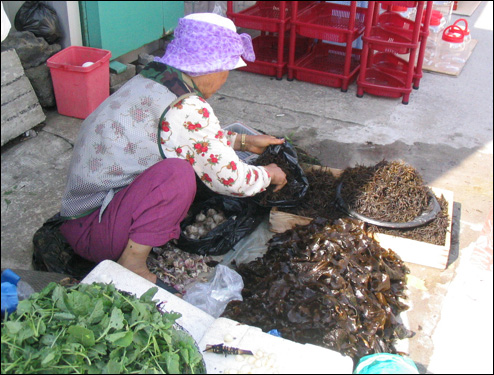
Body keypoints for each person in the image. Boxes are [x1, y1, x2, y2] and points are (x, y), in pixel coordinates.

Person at [59, 13, 287, 290]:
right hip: (95, 230)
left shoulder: (155, 77)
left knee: (183, 168)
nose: (226, 78)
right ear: (212, 68)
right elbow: (231, 179)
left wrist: (242, 142)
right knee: (178, 175)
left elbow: (184, 138)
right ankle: (132, 265)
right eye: (228, 69)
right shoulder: (187, 108)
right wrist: (268, 174)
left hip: (83, 215)